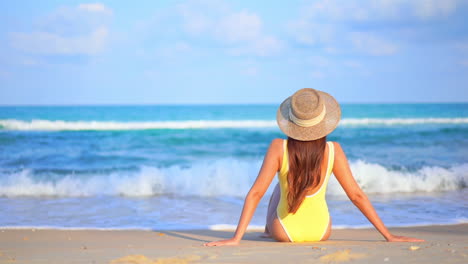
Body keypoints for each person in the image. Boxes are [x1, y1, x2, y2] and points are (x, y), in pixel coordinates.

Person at [205, 88, 424, 246]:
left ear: (291, 122)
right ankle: (269, 229)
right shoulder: (333, 150)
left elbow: (255, 194)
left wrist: (236, 238)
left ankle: (266, 231)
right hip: (321, 232)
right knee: (291, 185)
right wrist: (389, 235)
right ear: (323, 121)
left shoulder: (278, 147)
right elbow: (356, 195)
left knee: (280, 186)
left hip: (284, 232)